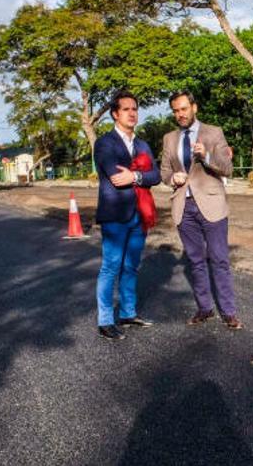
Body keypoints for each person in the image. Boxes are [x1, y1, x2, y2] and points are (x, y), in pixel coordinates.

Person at [160, 91, 241, 330]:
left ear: (194, 107)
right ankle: (204, 308)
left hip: (211, 204)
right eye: (175, 110)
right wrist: (172, 177)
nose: (180, 114)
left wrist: (205, 156)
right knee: (195, 261)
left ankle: (228, 312)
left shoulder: (213, 133)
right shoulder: (169, 138)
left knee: (219, 259)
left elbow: (227, 168)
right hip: (183, 206)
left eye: (184, 109)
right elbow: (164, 171)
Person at [94, 90, 161, 340]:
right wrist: (139, 176)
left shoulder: (143, 144)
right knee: (111, 266)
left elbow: (156, 176)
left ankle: (128, 313)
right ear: (115, 114)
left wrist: (135, 175)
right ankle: (105, 320)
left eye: (135, 109)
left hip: (140, 214)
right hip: (115, 215)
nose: (132, 113)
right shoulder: (105, 143)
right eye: (126, 109)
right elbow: (115, 176)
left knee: (132, 266)